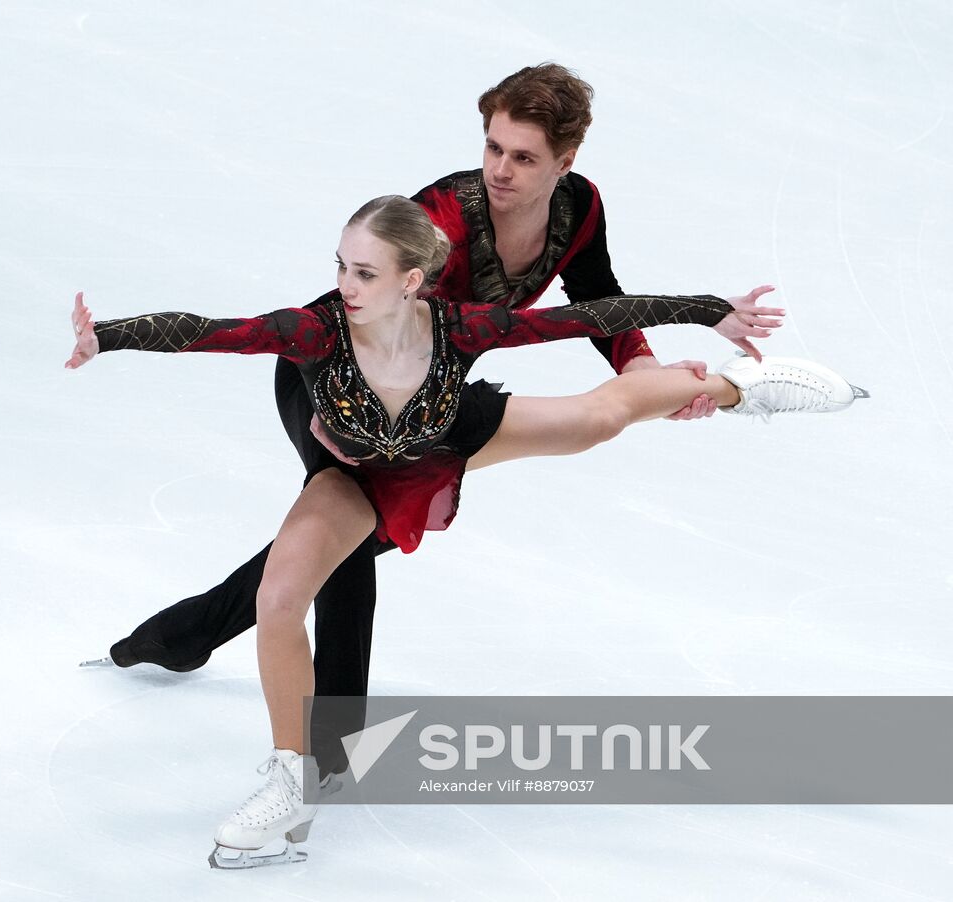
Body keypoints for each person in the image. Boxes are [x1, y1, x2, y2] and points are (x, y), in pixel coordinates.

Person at [65, 195, 860, 867]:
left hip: (451, 434)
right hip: (357, 478)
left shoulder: (460, 330)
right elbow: (209, 329)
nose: (342, 283)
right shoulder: (313, 333)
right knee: (279, 596)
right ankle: (291, 776)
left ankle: (741, 388)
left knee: (600, 416)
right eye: (340, 265)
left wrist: (705, 314)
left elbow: (589, 314)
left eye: (364, 272)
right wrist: (110, 336)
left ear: (412, 281)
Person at [99, 63, 732, 773]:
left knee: (351, 533)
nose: (500, 169)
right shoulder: (443, 219)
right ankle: (324, 740)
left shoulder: (577, 208)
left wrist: (639, 366)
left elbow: (596, 291)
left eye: (523, 157)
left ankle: (191, 635)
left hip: (424, 401)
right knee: (352, 526)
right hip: (332, 382)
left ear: (566, 161)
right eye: (493, 147)